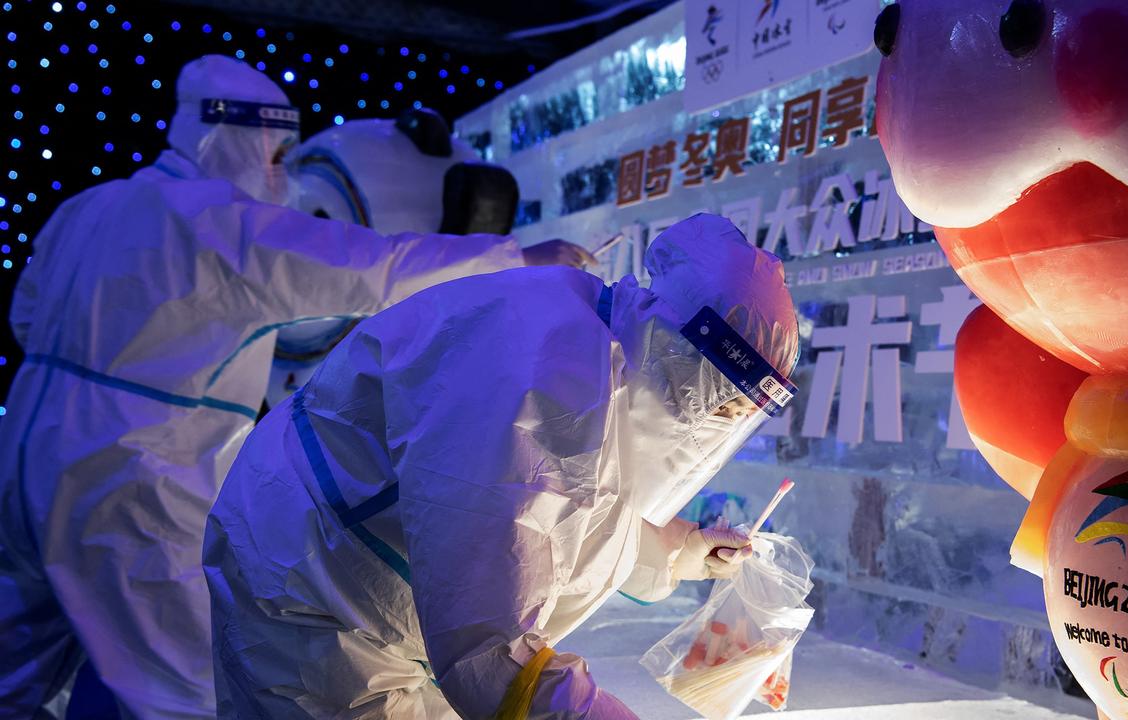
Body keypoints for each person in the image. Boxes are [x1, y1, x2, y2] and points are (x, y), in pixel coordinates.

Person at [0, 54, 581, 719]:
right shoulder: (223, 223)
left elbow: (24, 315)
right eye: (275, 153)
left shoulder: (88, 206)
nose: (280, 173)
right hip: (133, 478)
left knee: (13, 668)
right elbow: (371, 268)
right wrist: (516, 258)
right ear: (235, 137)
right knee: (182, 687)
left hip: (24, 451)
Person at [203, 213, 800, 718]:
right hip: (313, 597)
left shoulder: (610, 350)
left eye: (746, 408)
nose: (727, 419)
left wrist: (682, 547)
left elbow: (572, 505)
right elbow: (489, 649)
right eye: (724, 398)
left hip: (385, 595)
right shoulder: (534, 378)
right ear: (680, 347)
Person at [264, 111, 594, 409]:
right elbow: (379, 271)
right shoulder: (244, 238)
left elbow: (381, 269)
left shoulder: (237, 226)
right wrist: (516, 258)